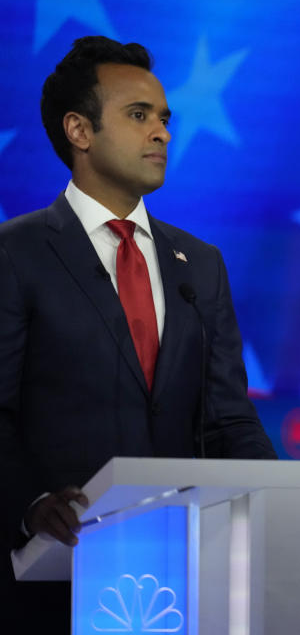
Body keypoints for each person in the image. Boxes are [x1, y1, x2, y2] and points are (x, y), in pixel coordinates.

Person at [0, 36, 277, 631]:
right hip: (53, 585)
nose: (162, 133)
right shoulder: (16, 254)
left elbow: (227, 417)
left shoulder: (200, 265)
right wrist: (29, 505)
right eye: (138, 115)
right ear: (79, 131)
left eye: (164, 119)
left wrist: (278, 499)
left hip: (183, 583)